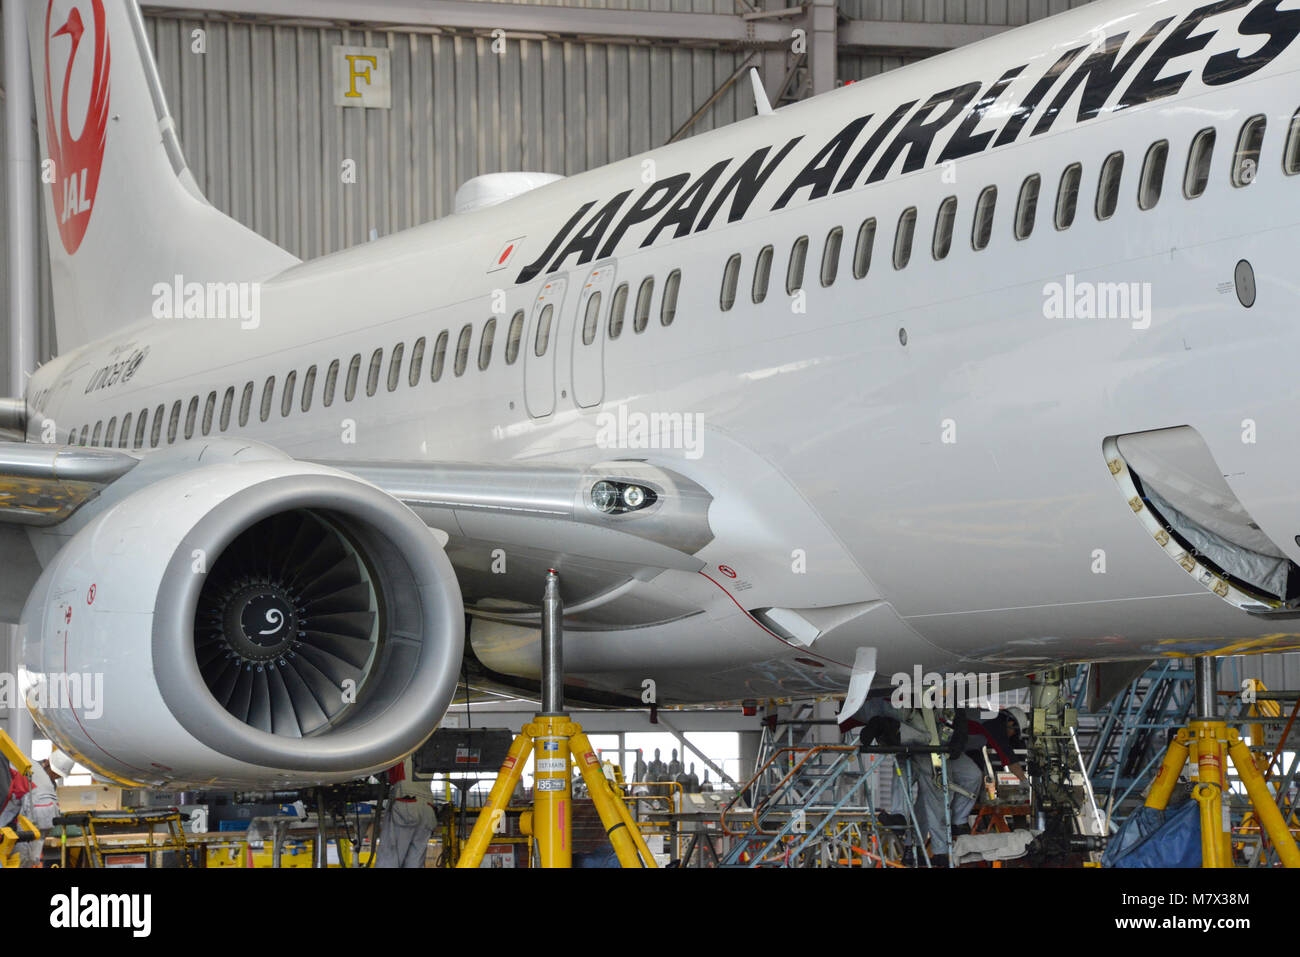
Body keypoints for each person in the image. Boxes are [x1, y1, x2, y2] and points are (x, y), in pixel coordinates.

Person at [375, 766, 438, 868]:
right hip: (428, 808)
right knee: (415, 863)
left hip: (406, 803)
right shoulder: (429, 750)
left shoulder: (399, 751)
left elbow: (384, 773)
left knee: (389, 859)